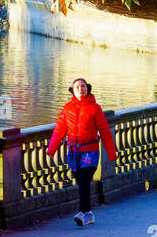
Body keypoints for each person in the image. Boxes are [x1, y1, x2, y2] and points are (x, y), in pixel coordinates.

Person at [47, 77, 117, 226]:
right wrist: (51, 149)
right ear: (73, 90)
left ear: (88, 89)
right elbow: (59, 130)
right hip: (74, 153)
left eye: (83, 86)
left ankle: (81, 213)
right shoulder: (67, 108)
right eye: (78, 87)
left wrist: (111, 152)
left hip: (90, 152)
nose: (81, 88)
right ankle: (89, 214)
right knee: (80, 182)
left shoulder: (95, 108)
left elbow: (104, 131)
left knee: (84, 181)